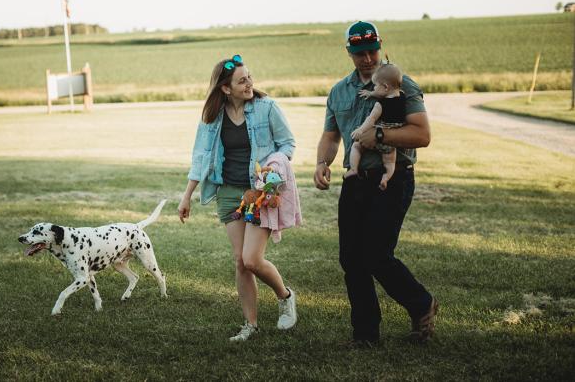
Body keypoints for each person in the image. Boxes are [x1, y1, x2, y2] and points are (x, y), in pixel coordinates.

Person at [313, 21, 438, 346]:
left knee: (377, 254)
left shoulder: (401, 84)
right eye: (359, 53)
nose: (367, 58)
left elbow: (422, 134)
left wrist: (379, 134)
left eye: (372, 51)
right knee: (351, 258)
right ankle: (366, 333)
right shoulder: (339, 91)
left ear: (380, 48)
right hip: (355, 181)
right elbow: (330, 135)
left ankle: (421, 303)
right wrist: (321, 163)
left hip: (392, 178)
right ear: (349, 53)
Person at [178, 54, 299, 342]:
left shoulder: (266, 108)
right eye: (241, 80)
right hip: (229, 194)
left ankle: (285, 296)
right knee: (239, 261)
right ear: (225, 88)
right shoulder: (212, 116)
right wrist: (187, 197)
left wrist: (274, 165)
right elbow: (201, 156)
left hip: (258, 192)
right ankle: (250, 325)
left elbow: (288, 143)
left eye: (249, 78)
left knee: (252, 259)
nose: (249, 84)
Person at [346, 63, 406, 190]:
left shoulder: (381, 104)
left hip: (379, 137)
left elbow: (371, 119)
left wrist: (360, 130)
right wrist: (372, 93)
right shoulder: (403, 96)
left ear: (385, 87)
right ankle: (386, 178)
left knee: (356, 146)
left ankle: (353, 169)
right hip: (392, 142)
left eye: (375, 86)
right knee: (390, 163)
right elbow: (387, 93)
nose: (373, 88)